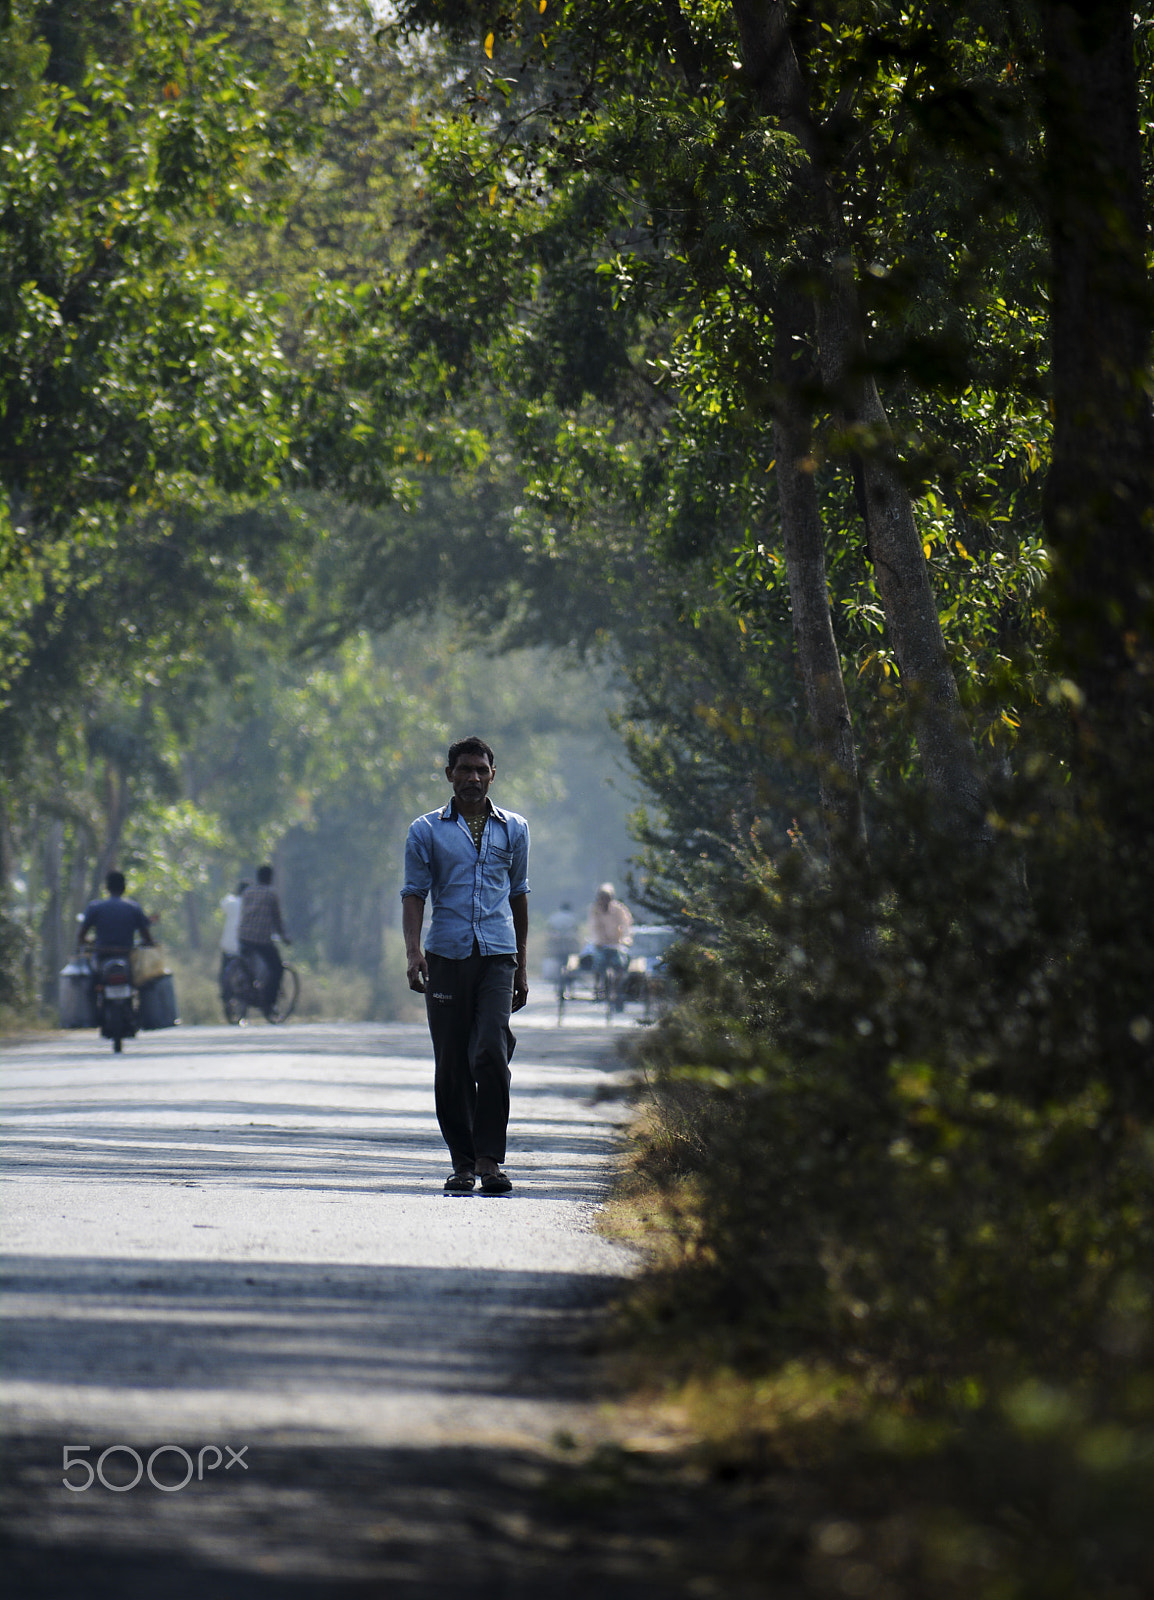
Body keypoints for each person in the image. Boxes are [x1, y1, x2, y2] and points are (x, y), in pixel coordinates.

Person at [402, 736, 530, 1196]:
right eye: (465, 770)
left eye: (481, 770)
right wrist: (414, 953)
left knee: (491, 1053)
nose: (473, 778)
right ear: (449, 774)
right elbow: (414, 893)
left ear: (493, 774)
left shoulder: (514, 828)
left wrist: (521, 965)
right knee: (452, 1061)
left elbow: (518, 895)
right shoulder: (426, 830)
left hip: (498, 954)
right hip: (447, 956)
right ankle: (462, 1163)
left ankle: (490, 1160)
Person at [238, 865, 291, 1018]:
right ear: (270, 878)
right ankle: (269, 1004)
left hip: (243, 936)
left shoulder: (248, 892)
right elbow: (277, 919)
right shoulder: (271, 894)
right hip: (261, 939)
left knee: (247, 965)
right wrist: (284, 937)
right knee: (277, 968)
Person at [78, 870, 155, 955]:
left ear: (107, 887)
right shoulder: (134, 908)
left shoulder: (95, 907)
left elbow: (81, 936)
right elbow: (147, 938)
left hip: (101, 955)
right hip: (127, 955)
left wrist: (90, 942)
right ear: (124, 887)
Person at [589, 882, 633, 1010]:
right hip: (601, 945)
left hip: (616, 945)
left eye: (606, 898)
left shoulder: (619, 910)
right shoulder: (594, 910)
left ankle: (618, 989)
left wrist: (625, 940)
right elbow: (592, 927)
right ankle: (598, 987)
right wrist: (597, 941)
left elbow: (626, 926)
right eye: (601, 898)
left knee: (620, 964)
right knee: (598, 962)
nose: (604, 901)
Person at [219, 880, 249, 985]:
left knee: (224, 972)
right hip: (244, 947)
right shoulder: (251, 905)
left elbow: (223, 902)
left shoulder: (232, 903)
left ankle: (224, 994)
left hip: (228, 946)